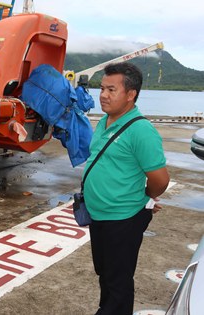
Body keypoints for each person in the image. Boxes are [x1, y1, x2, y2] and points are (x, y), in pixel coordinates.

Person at [84, 62, 170, 315]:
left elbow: (160, 180)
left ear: (131, 94)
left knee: (118, 281)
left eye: (111, 89)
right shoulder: (105, 121)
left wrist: (145, 197)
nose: (103, 95)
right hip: (98, 215)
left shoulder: (141, 130)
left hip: (122, 219)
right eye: (101, 88)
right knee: (106, 275)